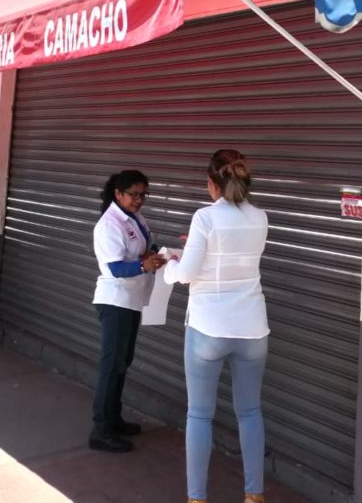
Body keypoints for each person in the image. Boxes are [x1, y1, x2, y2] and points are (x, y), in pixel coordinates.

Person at [163, 150, 270, 503]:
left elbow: (187, 273)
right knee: (250, 412)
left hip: (208, 328)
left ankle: (197, 498)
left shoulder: (205, 217)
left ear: (212, 183)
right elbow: (236, 258)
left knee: (199, 415)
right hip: (253, 328)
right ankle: (254, 496)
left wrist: (170, 264)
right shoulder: (260, 217)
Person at [89, 169, 166, 453]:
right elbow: (115, 267)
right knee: (112, 366)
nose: (139, 200)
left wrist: (155, 254)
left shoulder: (135, 218)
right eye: (133, 194)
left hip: (131, 300)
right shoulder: (109, 225)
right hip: (115, 301)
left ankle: (114, 418)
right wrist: (143, 265)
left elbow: (147, 244)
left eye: (143, 194)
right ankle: (101, 431)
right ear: (118, 194)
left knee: (122, 362)